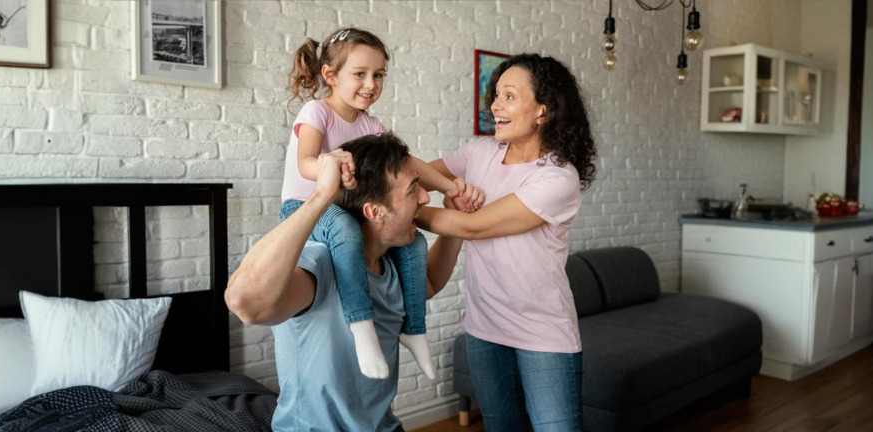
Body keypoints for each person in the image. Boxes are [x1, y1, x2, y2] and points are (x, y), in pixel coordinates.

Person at [279, 27, 482, 380]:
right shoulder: (317, 112)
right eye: (360, 74)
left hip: (345, 208)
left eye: (378, 75)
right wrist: (331, 163)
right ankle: (362, 327)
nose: (370, 84)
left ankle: (414, 329)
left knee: (415, 241)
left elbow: (409, 163)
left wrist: (452, 186)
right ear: (330, 75)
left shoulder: (371, 124)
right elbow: (305, 162)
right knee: (344, 228)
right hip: (304, 205)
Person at [227, 133, 464, 431]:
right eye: (413, 189)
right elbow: (245, 302)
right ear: (374, 211)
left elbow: (427, 282)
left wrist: (457, 219)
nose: (426, 198)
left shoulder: (389, 263)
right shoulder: (320, 264)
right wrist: (321, 196)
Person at [416, 54, 598, 431]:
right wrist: (450, 189)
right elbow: (415, 177)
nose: (495, 105)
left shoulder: (557, 177)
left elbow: (475, 228)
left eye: (509, 96)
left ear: (543, 111)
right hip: (484, 327)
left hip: (542, 331)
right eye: (496, 95)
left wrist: (398, 214)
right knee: (502, 426)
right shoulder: (480, 152)